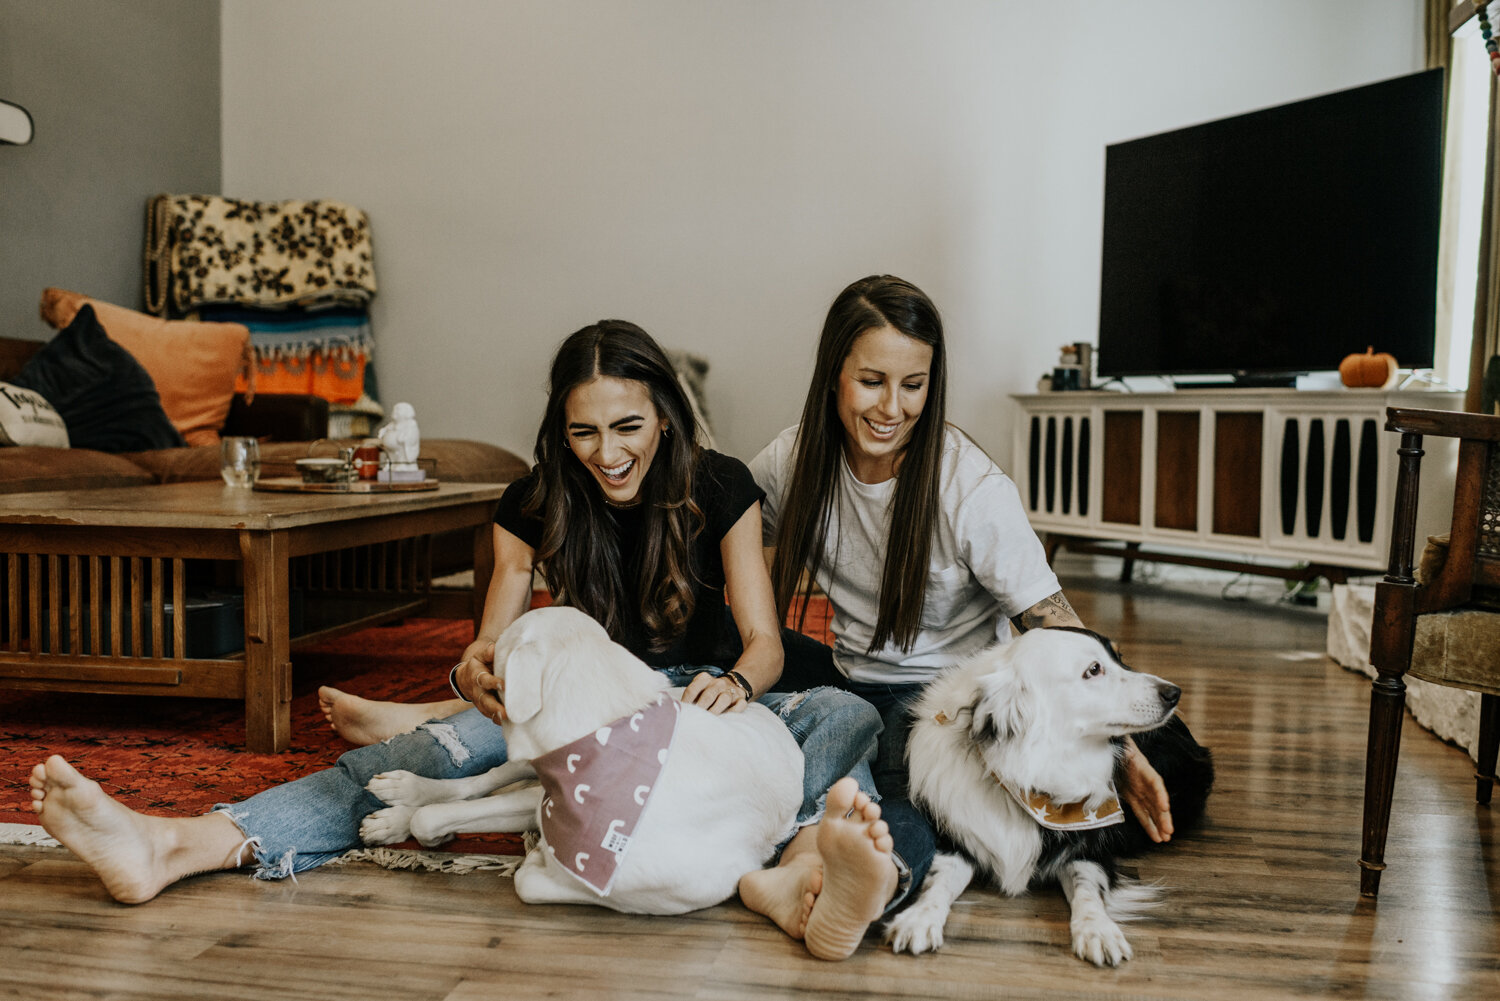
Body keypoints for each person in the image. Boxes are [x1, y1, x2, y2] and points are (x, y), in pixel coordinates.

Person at [28, 320, 892, 960]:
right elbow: (490, 643)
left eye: (627, 427)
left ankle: (788, 870)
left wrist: (738, 687)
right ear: (559, 428)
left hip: (715, 692)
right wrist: (473, 681)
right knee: (439, 753)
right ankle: (180, 844)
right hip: (597, 698)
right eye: (583, 431)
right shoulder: (534, 500)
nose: (607, 452)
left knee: (846, 715)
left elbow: (763, 640)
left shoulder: (720, 482)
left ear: (664, 416)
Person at [735, 275, 1174, 955]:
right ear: (833, 377)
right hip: (851, 675)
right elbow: (720, 510)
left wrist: (1122, 743)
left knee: (899, 797)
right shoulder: (796, 458)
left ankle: (865, 877)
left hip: (948, 697)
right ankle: (799, 847)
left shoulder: (968, 487)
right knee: (769, 721)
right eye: (872, 381)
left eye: (914, 384)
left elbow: (1054, 625)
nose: (892, 406)